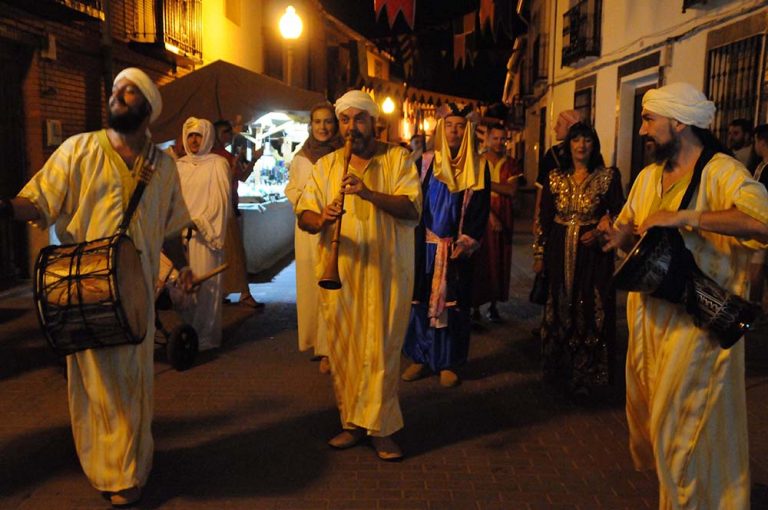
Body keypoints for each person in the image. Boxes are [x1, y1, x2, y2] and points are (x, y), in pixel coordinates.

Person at [0, 68, 192, 507]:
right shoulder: (79, 149)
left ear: (148, 107)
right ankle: (112, 469)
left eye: (129, 91)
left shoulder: (163, 165)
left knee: (135, 379)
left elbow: (170, 228)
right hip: (84, 286)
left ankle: (129, 466)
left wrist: (182, 268)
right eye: (115, 90)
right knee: (96, 381)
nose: (116, 96)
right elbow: (40, 199)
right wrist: (6, 207)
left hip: (138, 290)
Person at [598, 82, 768, 508]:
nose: (642, 130)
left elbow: (762, 223)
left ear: (678, 122)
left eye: (648, 119)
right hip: (650, 324)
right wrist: (618, 236)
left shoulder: (723, 171)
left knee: (677, 432)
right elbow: (633, 228)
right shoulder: (647, 178)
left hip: (699, 326)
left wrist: (685, 216)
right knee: (669, 430)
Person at [296, 90, 421, 461]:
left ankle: (382, 429)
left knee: (382, 352)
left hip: (387, 274)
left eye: (359, 119)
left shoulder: (397, 158)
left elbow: (411, 207)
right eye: (345, 120)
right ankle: (351, 423)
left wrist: (367, 193)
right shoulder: (326, 166)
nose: (351, 128)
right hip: (342, 276)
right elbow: (304, 216)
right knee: (345, 351)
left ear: (373, 122)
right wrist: (322, 218)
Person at [401, 103, 490, 388]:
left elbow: (480, 209)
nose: (454, 131)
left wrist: (467, 241)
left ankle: (448, 362)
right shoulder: (425, 163)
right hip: (425, 247)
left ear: (468, 130)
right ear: (441, 129)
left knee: (453, 306)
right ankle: (420, 356)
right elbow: (412, 202)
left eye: (460, 126)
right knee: (420, 302)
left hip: (456, 250)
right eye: (449, 125)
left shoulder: (478, 166)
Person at [533, 122, 624, 396]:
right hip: (558, 249)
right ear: (568, 145)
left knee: (590, 307)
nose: (581, 145)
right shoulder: (555, 178)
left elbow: (621, 213)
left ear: (594, 145)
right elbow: (544, 218)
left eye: (587, 140)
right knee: (560, 304)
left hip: (593, 255)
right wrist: (539, 253)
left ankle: (589, 373)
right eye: (576, 140)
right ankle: (559, 371)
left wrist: (600, 230)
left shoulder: (607, 177)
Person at [285, 102, 343, 374]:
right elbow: (293, 190)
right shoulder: (302, 157)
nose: (323, 127)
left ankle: (331, 347)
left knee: (332, 287)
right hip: (308, 231)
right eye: (317, 122)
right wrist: (310, 208)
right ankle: (319, 345)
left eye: (328, 121)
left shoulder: (343, 154)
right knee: (313, 287)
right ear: (311, 125)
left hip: (336, 228)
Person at [176, 117, 232, 351]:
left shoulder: (218, 164)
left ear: (207, 137)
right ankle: (187, 335)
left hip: (205, 237)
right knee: (183, 289)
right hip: (180, 237)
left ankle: (206, 336)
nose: (194, 140)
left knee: (206, 288)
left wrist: (200, 222)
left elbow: (221, 201)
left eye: (198, 135)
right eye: (190, 136)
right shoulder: (179, 165)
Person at [212, 119, 264, 309]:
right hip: (221, 210)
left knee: (229, 252)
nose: (230, 135)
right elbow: (228, 179)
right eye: (226, 132)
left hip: (228, 207)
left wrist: (253, 159)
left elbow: (241, 177)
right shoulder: (215, 157)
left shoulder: (225, 155)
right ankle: (241, 292)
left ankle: (226, 291)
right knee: (233, 253)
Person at [471, 123, 521, 322]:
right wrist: (489, 214)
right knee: (479, 260)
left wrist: (484, 183)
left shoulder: (511, 163)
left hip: (504, 214)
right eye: (496, 138)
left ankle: (493, 306)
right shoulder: (477, 161)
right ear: (487, 138)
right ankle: (475, 307)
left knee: (500, 259)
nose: (499, 142)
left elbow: (512, 190)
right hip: (481, 215)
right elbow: (473, 192)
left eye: (503, 139)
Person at [749, 123, 768, 306]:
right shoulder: (761, 165)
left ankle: (754, 307)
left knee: (756, 267)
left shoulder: (766, 168)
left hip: (761, 224)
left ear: (761, 142)